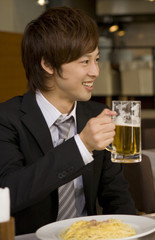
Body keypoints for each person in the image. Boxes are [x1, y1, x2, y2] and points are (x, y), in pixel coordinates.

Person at [0, 7, 136, 235]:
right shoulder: (7, 119)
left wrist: (134, 232)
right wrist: (81, 146)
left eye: (97, 59)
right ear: (49, 65)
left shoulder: (97, 115)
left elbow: (116, 196)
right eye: (85, 62)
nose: (95, 71)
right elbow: (9, 193)